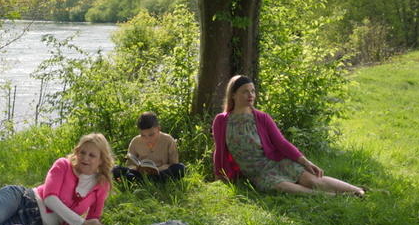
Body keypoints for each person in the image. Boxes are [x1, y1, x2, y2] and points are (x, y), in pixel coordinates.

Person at [213, 75, 370, 196]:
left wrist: (306, 162)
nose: (251, 95)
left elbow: (282, 143)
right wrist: (219, 177)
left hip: (277, 162)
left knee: (313, 180)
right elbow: (219, 151)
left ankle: (361, 191)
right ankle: (332, 196)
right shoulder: (222, 120)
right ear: (233, 94)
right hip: (258, 173)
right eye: (245, 91)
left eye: (253, 91)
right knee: (283, 186)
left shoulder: (262, 117)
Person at [113, 112, 186, 183]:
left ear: (158, 129)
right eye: (143, 135)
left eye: (151, 135)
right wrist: (137, 169)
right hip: (140, 174)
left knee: (180, 168)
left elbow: (173, 164)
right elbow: (129, 165)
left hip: (161, 173)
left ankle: (141, 182)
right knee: (116, 170)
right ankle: (145, 182)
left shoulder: (168, 140)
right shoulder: (135, 141)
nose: (147, 139)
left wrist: (157, 169)